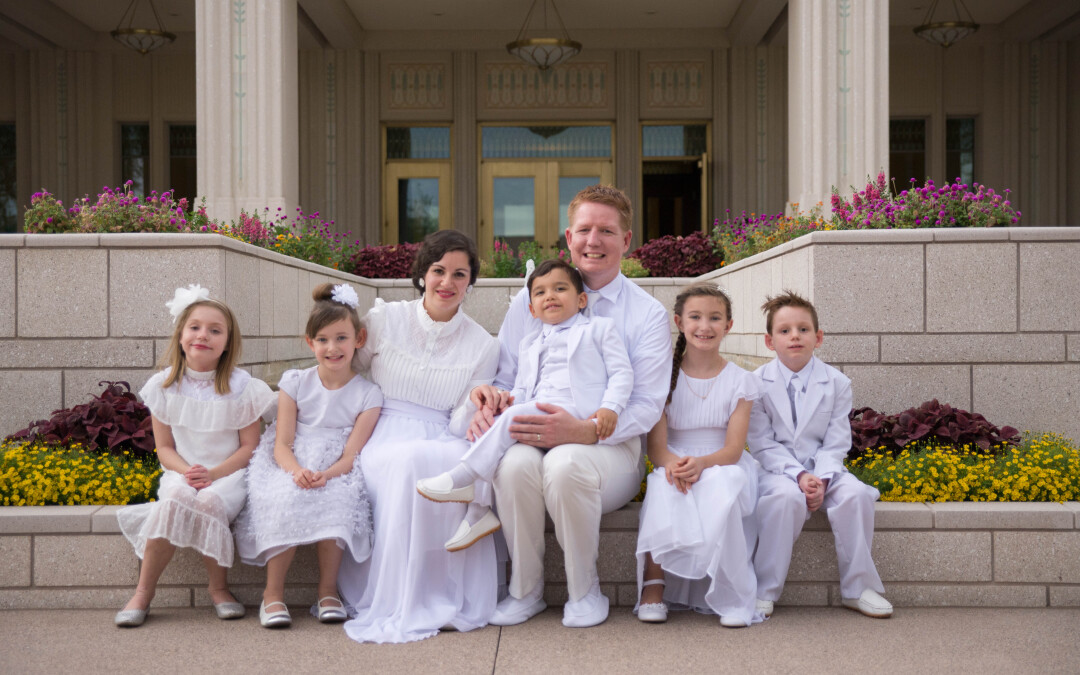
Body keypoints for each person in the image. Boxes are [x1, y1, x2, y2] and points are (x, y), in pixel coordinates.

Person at [475, 185, 672, 629]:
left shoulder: (646, 314)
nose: (593, 241)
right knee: (513, 467)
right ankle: (525, 590)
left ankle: (585, 591)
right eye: (584, 229)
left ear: (626, 240)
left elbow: (647, 402)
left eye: (607, 230)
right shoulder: (532, 300)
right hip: (534, 433)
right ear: (568, 237)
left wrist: (588, 431)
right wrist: (492, 399)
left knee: (565, 465)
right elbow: (505, 376)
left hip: (610, 452)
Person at [338, 230, 501, 643]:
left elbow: (464, 418)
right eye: (438, 271)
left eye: (459, 274)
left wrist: (477, 404)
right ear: (422, 274)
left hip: (443, 432)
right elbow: (346, 372)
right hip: (381, 429)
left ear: (470, 282)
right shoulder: (384, 319)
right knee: (410, 462)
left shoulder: (483, 343)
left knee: (446, 465)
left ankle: (442, 594)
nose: (447, 283)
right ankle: (399, 596)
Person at [416, 259, 634, 549]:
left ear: (581, 299)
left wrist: (610, 407)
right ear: (531, 309)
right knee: (492, 423)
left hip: (576, 411)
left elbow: (622, 372)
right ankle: (480, 507)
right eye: (540, 293)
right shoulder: (529, 343)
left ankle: (464, 476)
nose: (550, 296)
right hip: (537, 411)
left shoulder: (599, 329)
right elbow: (522, 388)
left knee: (515, 419)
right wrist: (505, 402)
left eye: (560, 288)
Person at [115, 285, 276, 627]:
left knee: (209, 502)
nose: (203, 335)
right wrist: (189, 473)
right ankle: (143, 592)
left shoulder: (241, 387)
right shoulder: (163, 386)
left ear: (228, 343)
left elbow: (250, 447)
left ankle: (218, 588)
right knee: (173, 499)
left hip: (229, 476)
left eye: (215, 330)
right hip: (182, 471)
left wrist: (214, 475)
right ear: (181, 334)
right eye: (195, 327)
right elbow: (165, 449)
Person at [235, 283, 382, 628]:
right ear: (310, 342)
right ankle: (273, 594)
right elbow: (282, 443)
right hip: (290, 461)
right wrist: (297, 471)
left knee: (340, 500)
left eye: (342, 338)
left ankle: (328, 591)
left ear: (359, 339)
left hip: (337, 467)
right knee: (285, 497)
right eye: (323, 340)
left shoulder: (368, 394)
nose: (332, 348)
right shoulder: (296, 382)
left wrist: (326, 475)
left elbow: (350, 455)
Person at [747, 290, 892, 619]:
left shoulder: (837, 382)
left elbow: (836, 441)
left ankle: (858, 589)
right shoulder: (756, 383)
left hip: (825, 469)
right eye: (784, 331)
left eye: (803, 329)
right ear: (770, 342)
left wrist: (822, 478)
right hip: (778, 472)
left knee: (855, 495)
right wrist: (799, 476)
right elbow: (762, 443)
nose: (794, 336)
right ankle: (764, 590)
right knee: (784, 500)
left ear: (819, 337)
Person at [635, 283, 762, 628]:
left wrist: (702, 464)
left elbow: (735, 450)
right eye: (695, 317)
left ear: (729, 325)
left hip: (722, 461)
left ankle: (732, 593)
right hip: (673, 459)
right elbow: (657, 448)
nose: (704, 326)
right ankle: (653, 585)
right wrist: (676, 465)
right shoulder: (662, 379)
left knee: (725, 482)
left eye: (714, 318)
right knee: (663, 484)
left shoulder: (741, 381)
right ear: (679, 321)